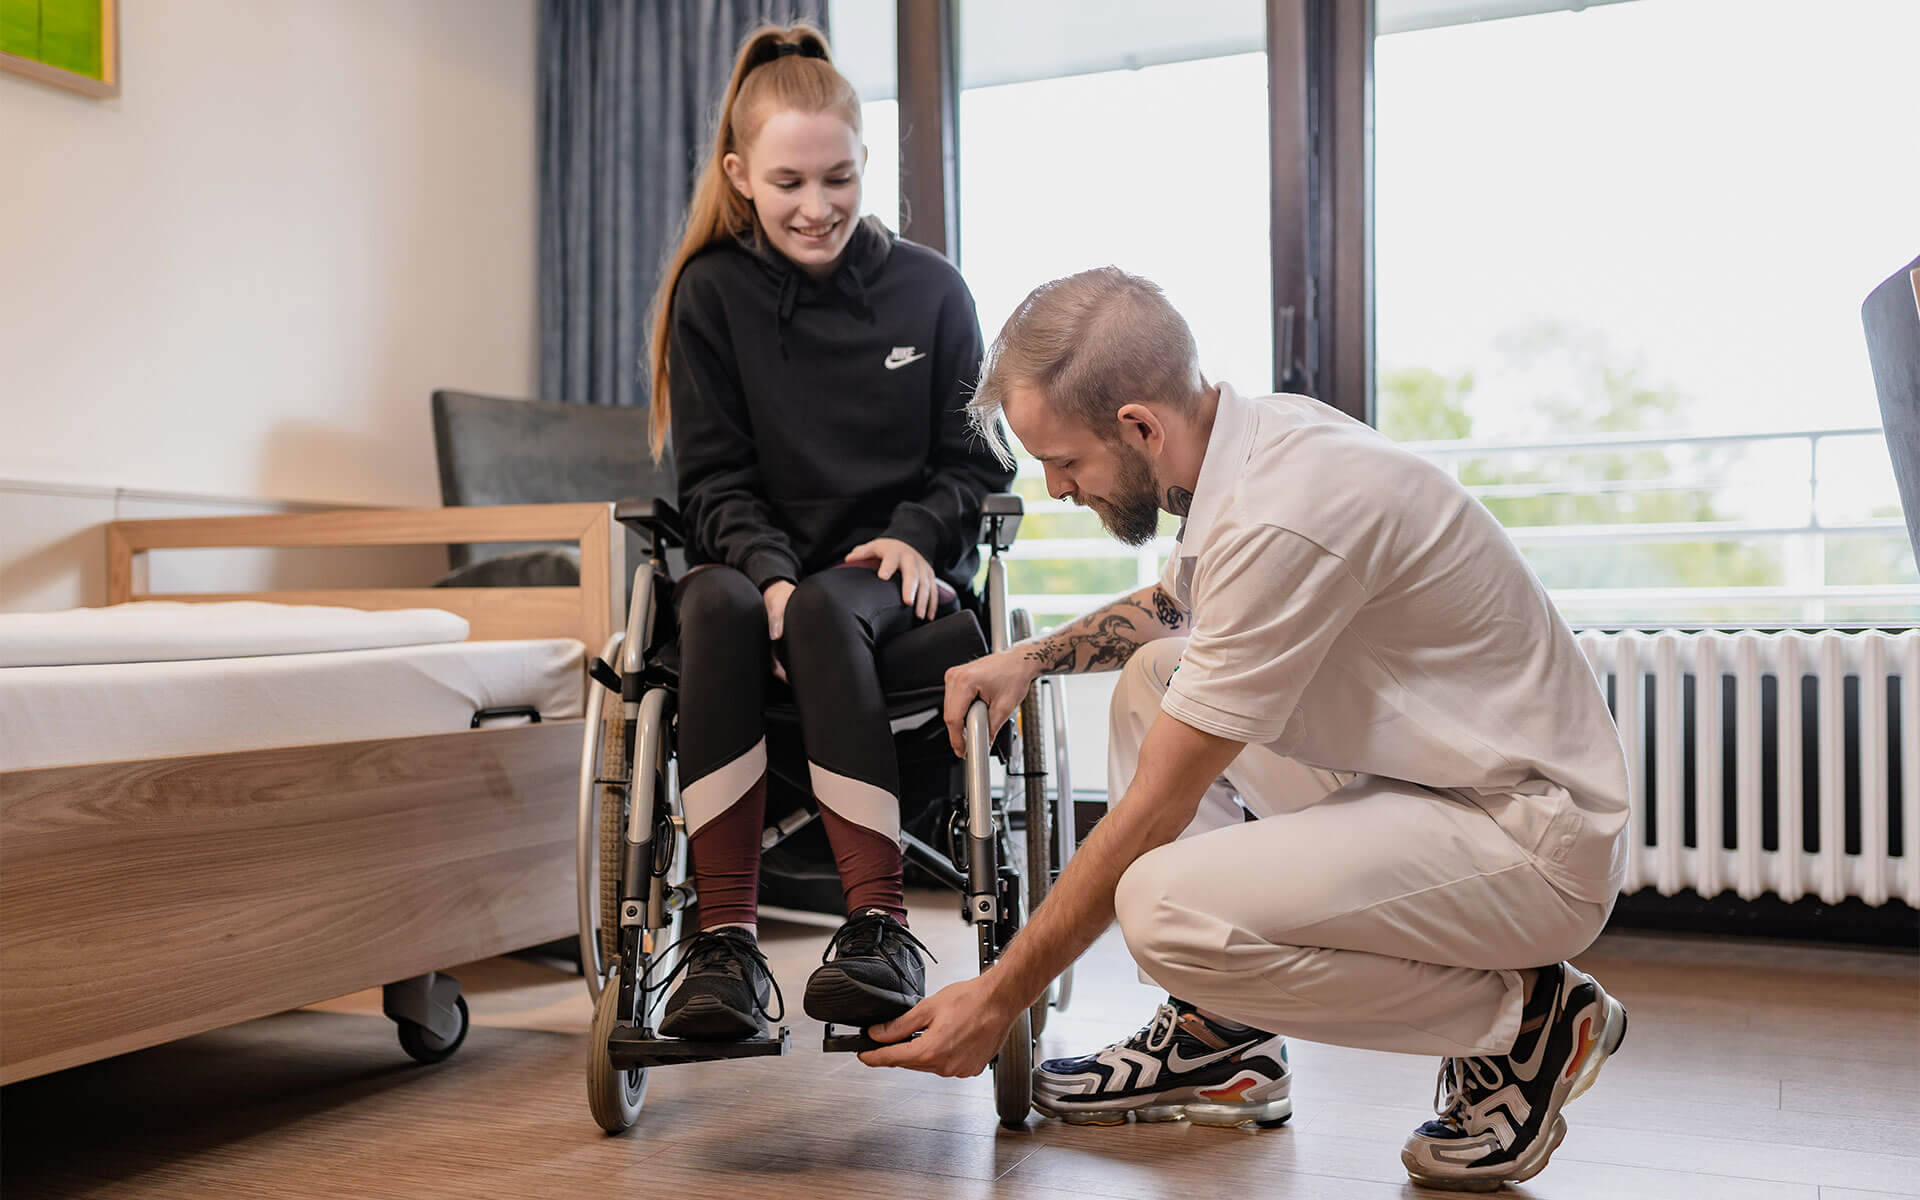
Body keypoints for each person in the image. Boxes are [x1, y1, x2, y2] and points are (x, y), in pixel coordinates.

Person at [860, 267, 1631, 1192]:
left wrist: (999, 996)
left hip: (1529, 839)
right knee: (1156, 676)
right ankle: (1221, 1043)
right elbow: (1184, 607)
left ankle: (1528, 1020)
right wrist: (1027, 659)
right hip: (1448, 782)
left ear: (1140, 427)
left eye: (1064, 461)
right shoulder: (1252, 441)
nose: (1058, 489)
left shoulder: (1283, 512)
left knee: (1160, 906)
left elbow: (1151, 812)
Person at [644, 23, 1012, 1041]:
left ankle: (879, 929)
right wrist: (762, 572)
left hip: (895, 589)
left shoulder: (931, 292)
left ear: (865, 162)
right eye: (790, 181)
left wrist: (919, 533)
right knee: (710, 598)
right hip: (756, 573)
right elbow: (712, 476)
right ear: (740, 175)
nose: (818, 206)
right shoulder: (710, 294)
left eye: (839, 177)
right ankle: (721, 947)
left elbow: (976, 460)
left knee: (818, 609)